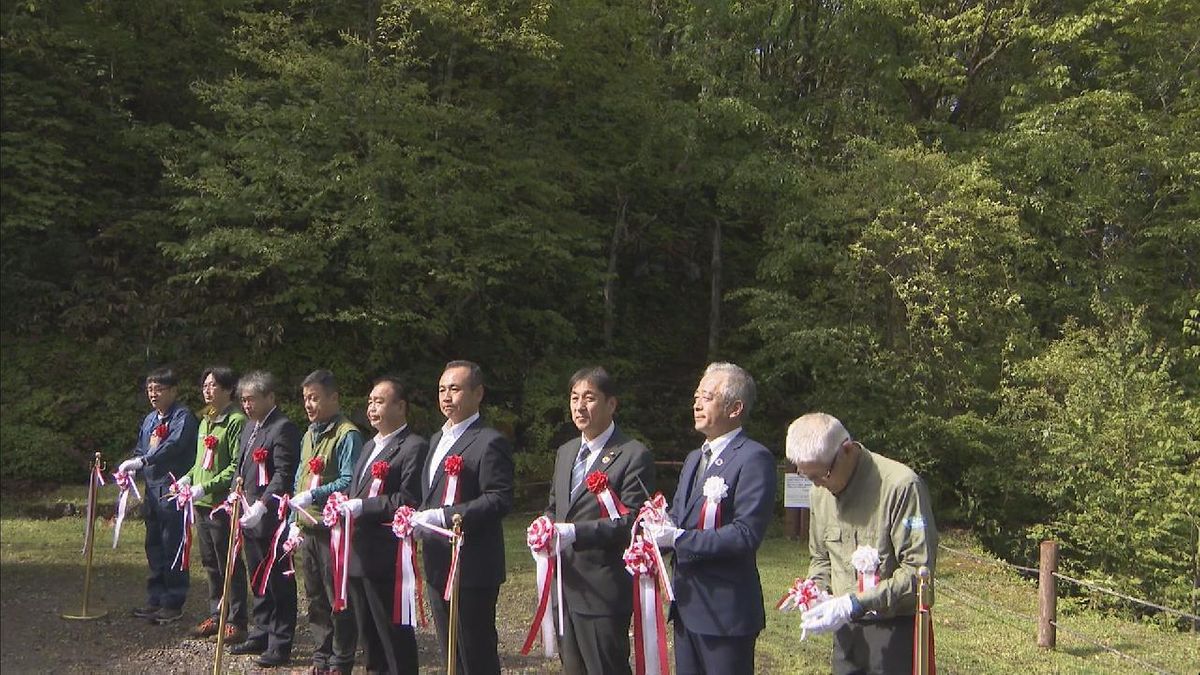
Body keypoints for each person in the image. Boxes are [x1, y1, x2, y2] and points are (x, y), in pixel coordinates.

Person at [785, 412, 938, 675]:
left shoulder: (900, 487)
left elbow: (917, 573)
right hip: (847, 633)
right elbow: (821, 558)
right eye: (809, 478)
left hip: (895, 629)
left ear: (846, 449)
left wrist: (854, 603)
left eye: (823, 475)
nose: (818, 485)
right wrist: (816, 592)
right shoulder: (819, 493)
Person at [649, 362, 776, 675]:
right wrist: (654, 533)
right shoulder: (695, 458)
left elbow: (746, 534)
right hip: (687, 604)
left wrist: (678, 538)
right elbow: (680, 517)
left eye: (706, 396)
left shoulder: (754, 458)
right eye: (696, 395)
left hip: (725, 611)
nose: (696, 403)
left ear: (735, 408)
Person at [543, 366, 655, 675]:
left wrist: (574, 533)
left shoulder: (633, 455)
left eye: (589, 398)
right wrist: (544, 525)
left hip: (602, 589)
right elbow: (555, 507)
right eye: (574, 397)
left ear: (611, 404)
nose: (579, 406)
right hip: (564, 585)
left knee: (606, 668)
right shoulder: (566, 452)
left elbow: (633, 521)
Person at [414, 360, 514, 674]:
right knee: (450, 651)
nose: (446, 396)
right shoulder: (435, 440)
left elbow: (498, 499)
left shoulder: (489, 440)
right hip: (437, 560)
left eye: (455, 389)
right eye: (442, 389)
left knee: (475, 650)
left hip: (472, 564)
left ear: (478, 393)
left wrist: (444, 517)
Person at [341, 376, 429, 675]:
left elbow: (408, 498)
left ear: (401, 406)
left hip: (387, 557)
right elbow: (357, 490)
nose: (372, 408)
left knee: (392, 635)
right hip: (358, 554)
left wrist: (362, 506)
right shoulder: (368, 447)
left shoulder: (413, 446)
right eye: (370, 402)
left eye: (380, 401)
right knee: (368, 636)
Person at [290, 370, 362, 675]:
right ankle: (320, 657)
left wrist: (314, 494)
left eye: (315, 397)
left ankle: (340, 659)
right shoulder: (309, 434)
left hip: (333, 530)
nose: (309, 404)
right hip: (308, 527)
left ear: (334, 398)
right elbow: (299, 477)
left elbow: (349, 479)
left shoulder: (348, 434)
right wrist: (295, 517)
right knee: (315, 596)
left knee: (337, 597)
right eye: (306, 398)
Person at [230, 371, 301, 668]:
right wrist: (236, 489)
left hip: (273, 516)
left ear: (270, 397)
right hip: (249, 512)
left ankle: (280, 641)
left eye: (252, 400)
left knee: (277, 579)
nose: (247, 406)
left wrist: (262, 503)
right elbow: (242, 463)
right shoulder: (250, 427)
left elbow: (283, 473)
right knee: (257, 576)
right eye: (244, 400)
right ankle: (261, 630)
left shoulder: (282, 428)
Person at [174, 366, 249, 643]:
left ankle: (237, 619)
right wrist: (187, 479)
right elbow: (199, 462)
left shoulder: (236, 420)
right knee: (209, 562)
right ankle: (216, 613)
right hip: (201, 503)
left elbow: (234, 466)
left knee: (228, 561)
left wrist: (206, 485)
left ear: (229, 389)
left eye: (214, 385)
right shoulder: (206, 420)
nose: (207, 390)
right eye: (204, 385)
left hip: (221, 504)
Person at [120, 367, 199, 625]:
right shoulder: (150, 419)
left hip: (173, 489)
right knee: (153, 544)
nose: (153, 394)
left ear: (173, 391)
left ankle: (173, 602)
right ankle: (155, 599)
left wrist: (143, 460)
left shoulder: (183, 417)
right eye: (150, 389)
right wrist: (131, 466)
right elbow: (141, 448)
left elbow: (172, 446)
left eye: (159, 389)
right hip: (151, 491)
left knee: (172, 545)